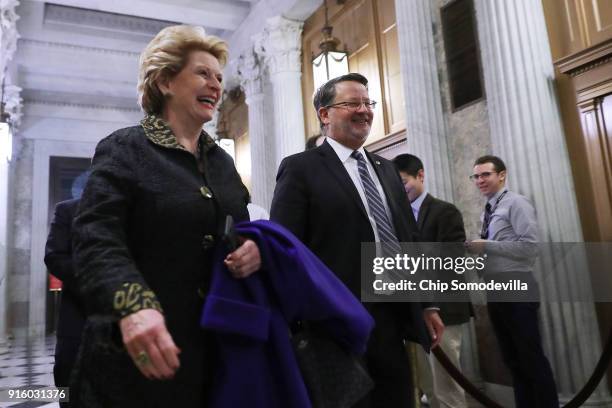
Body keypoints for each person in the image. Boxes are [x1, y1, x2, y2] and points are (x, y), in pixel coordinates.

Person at [70, 25, 261, 407]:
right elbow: (96, 237)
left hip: (214, 351)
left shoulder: (222, 162)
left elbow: (240, 227)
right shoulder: (124, 148)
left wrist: (253, 249)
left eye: (220, 77)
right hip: (134, 359)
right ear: (166, 81)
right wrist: (134, 306)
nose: (216, 85)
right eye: (203, 73)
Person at [270, 73, 444, 408]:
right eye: (353, 103)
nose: (364, 110)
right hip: (337, 321)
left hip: (393, 315)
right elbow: (287, 248)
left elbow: (411, 239)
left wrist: (428, 304)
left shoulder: (387, 169)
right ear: (325, 114)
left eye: (368, 103)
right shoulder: (300, 168)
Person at [465, 155, 559, 408]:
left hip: (518, 287)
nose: (480, 180)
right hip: (497, 290)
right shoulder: (490, 208)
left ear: (502, 175)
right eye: (477, 176)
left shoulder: (516, 203)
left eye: (486, 174)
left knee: (530, 358)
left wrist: (487, 246)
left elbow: (530, 248)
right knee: (512, 360)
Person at [393, 154, 471, 408]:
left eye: (404, 182)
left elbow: (453, 259)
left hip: (445, 308)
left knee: (447, 385)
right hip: (414, 312)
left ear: (421, 176)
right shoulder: (398, 218)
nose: (401, 189)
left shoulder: (444, 212)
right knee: (427, 387)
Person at [44, 197, 84, 408]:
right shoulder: (68, 209)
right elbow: (54, 257)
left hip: (125, 320)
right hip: (77, 314)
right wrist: (96, 278)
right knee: (69, 387)